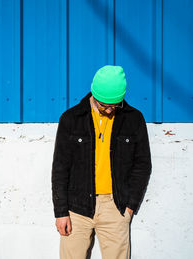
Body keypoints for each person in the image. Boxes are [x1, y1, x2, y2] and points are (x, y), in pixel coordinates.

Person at [51, 65, 152, 259]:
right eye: (103, 105)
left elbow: (142, 165)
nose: (108, 110)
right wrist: (61, 212)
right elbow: (60, 169)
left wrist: (130, 206)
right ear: (94, 96)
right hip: (76, 208)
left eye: (113, 106)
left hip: (116, 207)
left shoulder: (134, 119)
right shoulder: (71, 119)